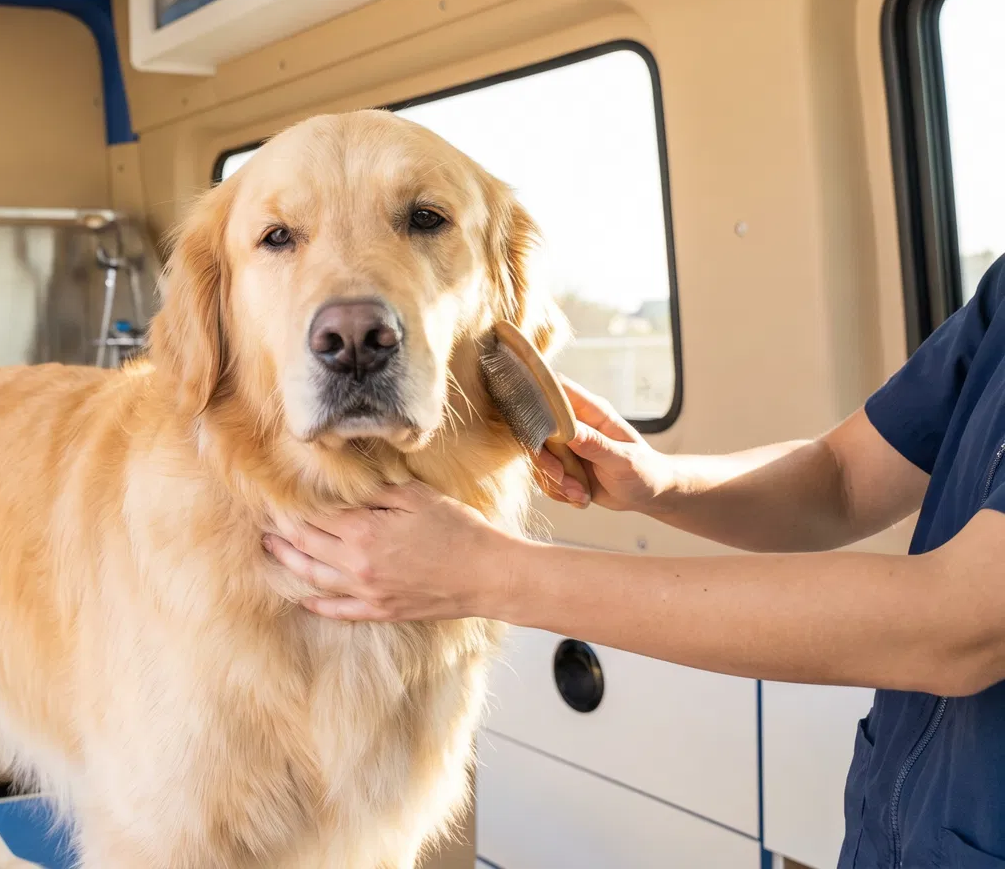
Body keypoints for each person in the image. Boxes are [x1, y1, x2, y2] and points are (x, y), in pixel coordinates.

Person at [262, 260, 1005, 869]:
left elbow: (958, 625)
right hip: (901, 830)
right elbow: (843, 476)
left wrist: (487, 574)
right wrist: (662, 482)